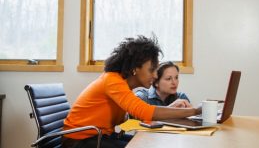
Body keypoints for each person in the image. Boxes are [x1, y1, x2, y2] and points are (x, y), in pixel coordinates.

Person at [62, 35, 201, 148]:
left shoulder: (122, 84)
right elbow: (145, 111)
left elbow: (137, 115)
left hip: (98, 137)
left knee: (148, 143)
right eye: (151, 70)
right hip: (79, 142)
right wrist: (195, 111)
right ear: (135, 68)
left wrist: (169, 110)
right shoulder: (112, 81)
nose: (155, 75)